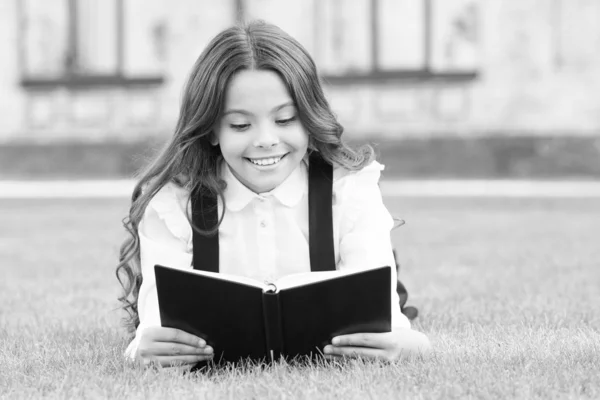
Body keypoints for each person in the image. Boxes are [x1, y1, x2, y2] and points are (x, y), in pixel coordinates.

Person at [116, 20, 431, 368]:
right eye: (240, 124)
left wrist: (406, 343)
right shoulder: (171, 203)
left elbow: (393, 328)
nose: (265, 139)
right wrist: (143, 349)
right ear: (211, 130)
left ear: (310, 121)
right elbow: (154, 324)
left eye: (285, 120)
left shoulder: (349, 190)